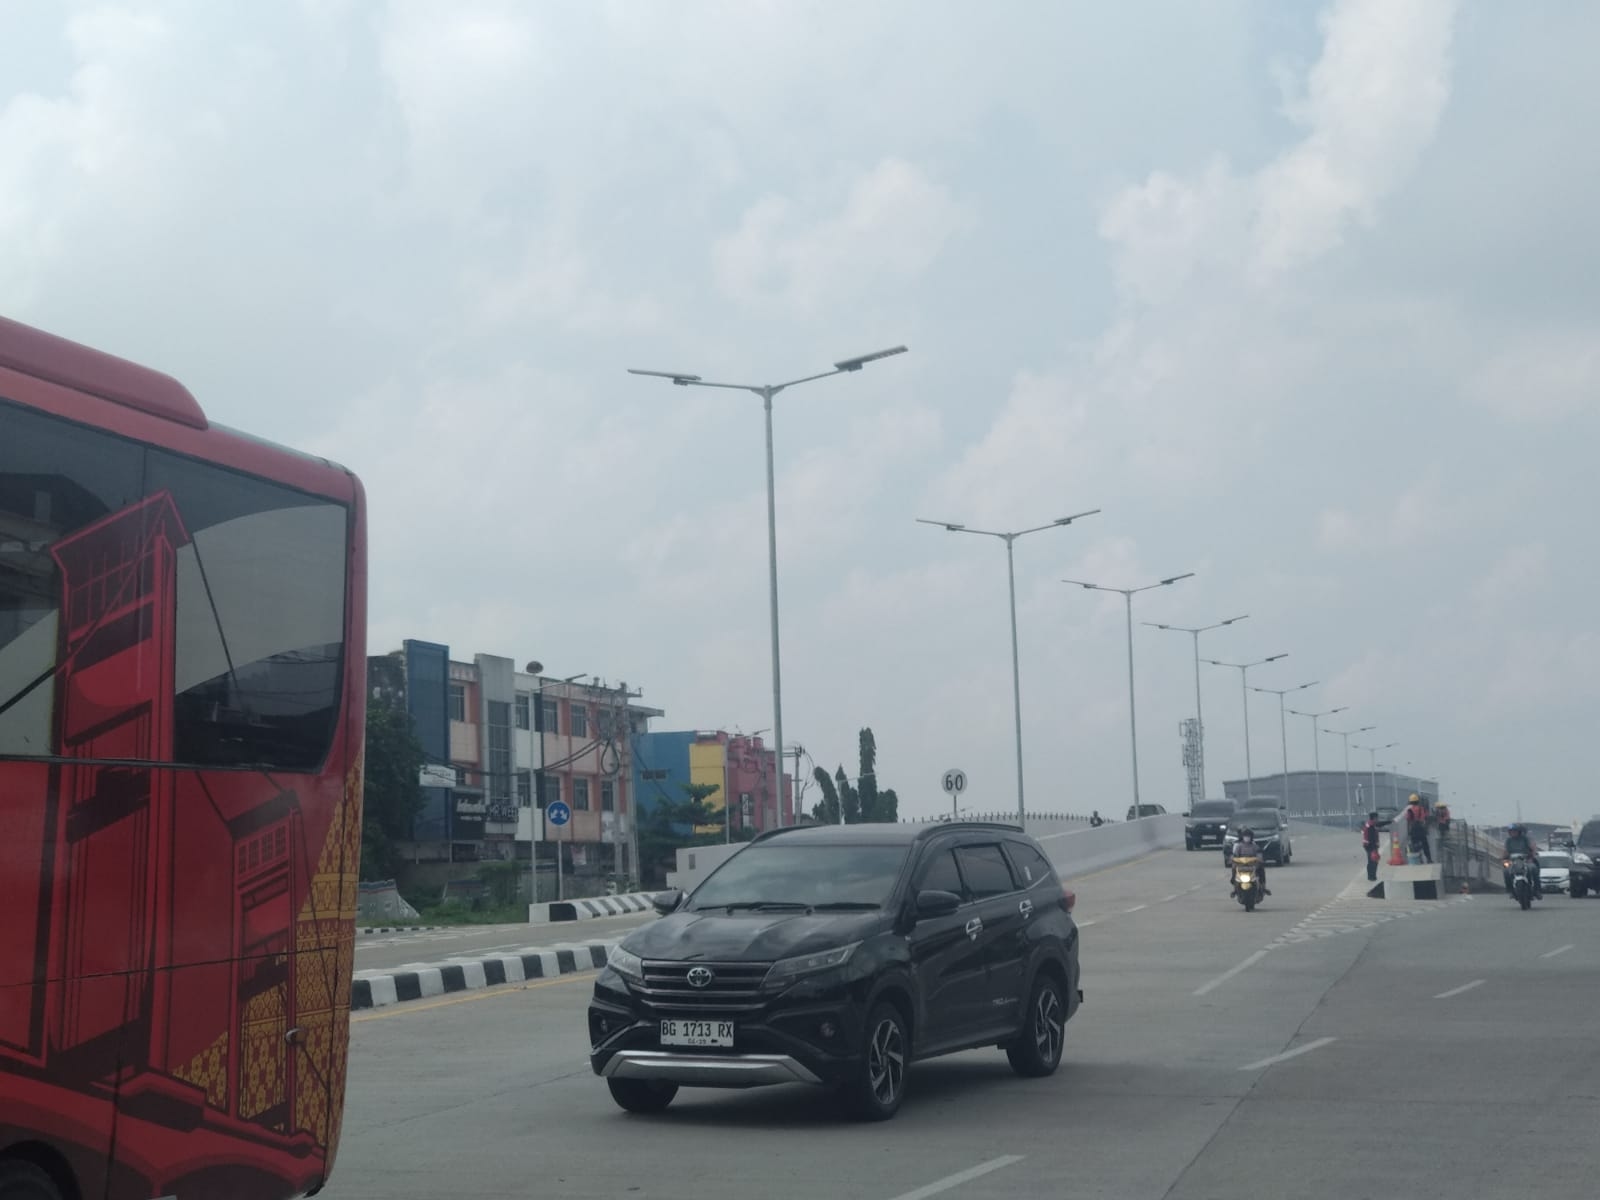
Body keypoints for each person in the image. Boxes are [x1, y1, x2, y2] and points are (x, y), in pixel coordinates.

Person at [1503, 822, 1541, 898]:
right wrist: (1504, 858)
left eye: (1514, 831)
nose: (1512, 833)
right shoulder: (1508, 840)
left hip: (1526, 860)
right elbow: (1506, 851)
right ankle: (1511, 890)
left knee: (1533, 869)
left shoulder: (1525, 839)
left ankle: (1537, 890)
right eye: (1511, 831)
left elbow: (1532, 848)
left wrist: (1531, 857)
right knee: (1506, 871)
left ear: (1520, 832)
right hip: (1513, 861)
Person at [1228, 827, 1269, 895]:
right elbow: (1235, 855)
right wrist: (1231, 859)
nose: (1247, 838)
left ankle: (1263, 887)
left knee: (1261, 869)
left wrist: (1260, 859)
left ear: (1251, 837)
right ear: (1242, 837)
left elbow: (1259, 853)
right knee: (1234, 868)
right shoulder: (1239, 846)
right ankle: (1235, 888)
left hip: (1252, 864)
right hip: (1241, 865)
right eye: (1245, 836)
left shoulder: (1254, 846)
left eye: (1248, 836)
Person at [1404, 794, 1432, 863]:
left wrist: (1408, 832)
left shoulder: (1409, 810)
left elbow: (1407, 819)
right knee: (1425, 844)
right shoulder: (1421, 809)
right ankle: (1429, 859)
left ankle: (1419, 860)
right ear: (1417, 801)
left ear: (1410, 802)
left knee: (1415, 845)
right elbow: (1424, 818)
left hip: (1413, 830)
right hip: (1420, 828)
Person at [1361, 811, 1384, 882]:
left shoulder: (1370, 824)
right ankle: (1372, 876)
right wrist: (1374, 849)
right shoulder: (1371, 826)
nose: (1378, 819)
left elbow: (1380, 824)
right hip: (1370, 846)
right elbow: (1371, 838)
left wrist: (1390, 822)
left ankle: (1371, 876)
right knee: (1373, 861)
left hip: (1368, 846)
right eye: (1377, 818)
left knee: (1372, 861)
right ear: (1374, 818)